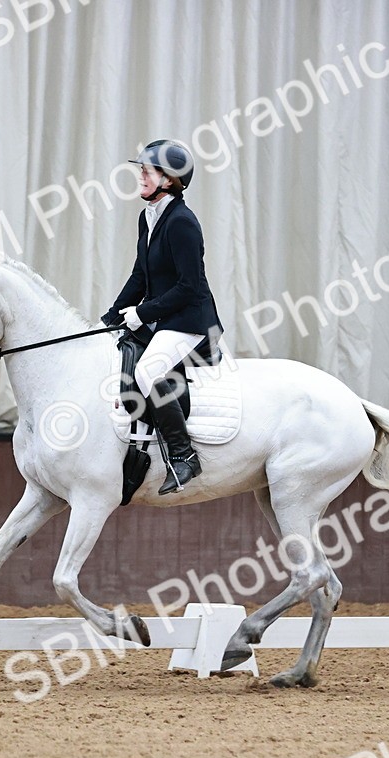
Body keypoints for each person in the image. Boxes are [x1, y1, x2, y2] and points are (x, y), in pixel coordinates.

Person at [101, 139, 224, 494]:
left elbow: (190, 286)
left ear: (169, 180)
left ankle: (184, 456)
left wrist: (143, 312)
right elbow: (141, 274)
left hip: (190, 322)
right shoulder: (149, 216)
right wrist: (109, 318)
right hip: (165, 318)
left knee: (148, 370)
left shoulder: (183, 222)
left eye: (148, 170)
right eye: (141, 169)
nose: (141, 175)